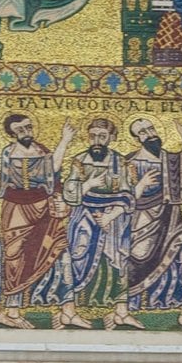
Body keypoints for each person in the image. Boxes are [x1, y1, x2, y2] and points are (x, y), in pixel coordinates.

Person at [107, 118, 182, 330]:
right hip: (138, 221)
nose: (149, 133)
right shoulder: (128, 162)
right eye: (142, 131)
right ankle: (122, 311)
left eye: (151, 128)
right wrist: (140, 186)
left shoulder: (170, 159)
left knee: (179, 260)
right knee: (132, 262)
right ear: (136, 139)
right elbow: (120, 194)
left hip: (170, 218)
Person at [51, 118, 130, 329]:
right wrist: (89, 184)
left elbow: (127, 195)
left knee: (116, 260)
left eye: (102, 136)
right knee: (78, 256)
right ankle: (69, 311)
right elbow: (70, 192)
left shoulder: (120, 162)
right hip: (83, 216)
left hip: (112, 219)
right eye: (93, 135)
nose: (97, 140)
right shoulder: (79, 160)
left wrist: (110, 216)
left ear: (112, 138)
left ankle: (114, 313)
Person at [0, 113, 61, 327]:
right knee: (13, 256)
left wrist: (65, 141)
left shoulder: (42, 151)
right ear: (12, 134)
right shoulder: (7, 153)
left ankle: (55, 308)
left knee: (46, 251)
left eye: (28, 127)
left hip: (42, 206)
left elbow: (54, 174)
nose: (26, 132)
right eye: (20, 130)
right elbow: (1, 184)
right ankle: (12, 310)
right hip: (15, 208)